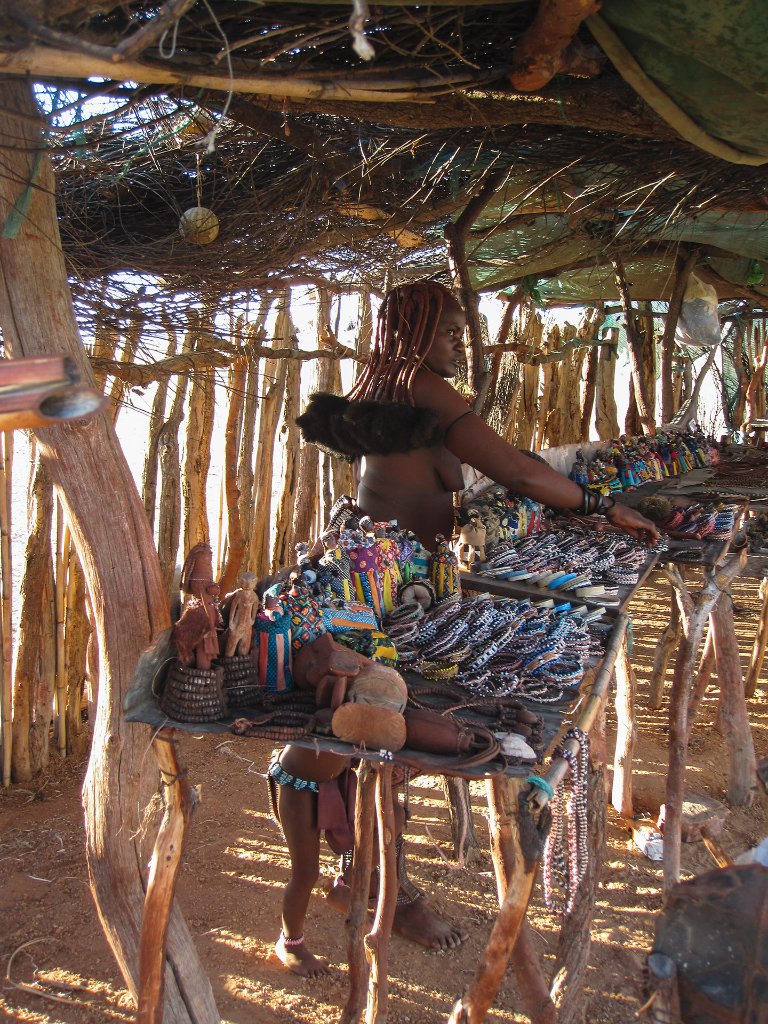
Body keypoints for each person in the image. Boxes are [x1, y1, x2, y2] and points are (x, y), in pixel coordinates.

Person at [270, 279, 660, 978]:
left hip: (387, 572)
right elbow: (511, 468)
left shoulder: (385, 384)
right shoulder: (424, 388)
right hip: (379, 583)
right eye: (450, 330)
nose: (460, 343)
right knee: (376, 717)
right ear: (417, 333)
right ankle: (379, 884)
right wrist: (600, 504)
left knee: (377, 722)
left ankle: (373, 873)